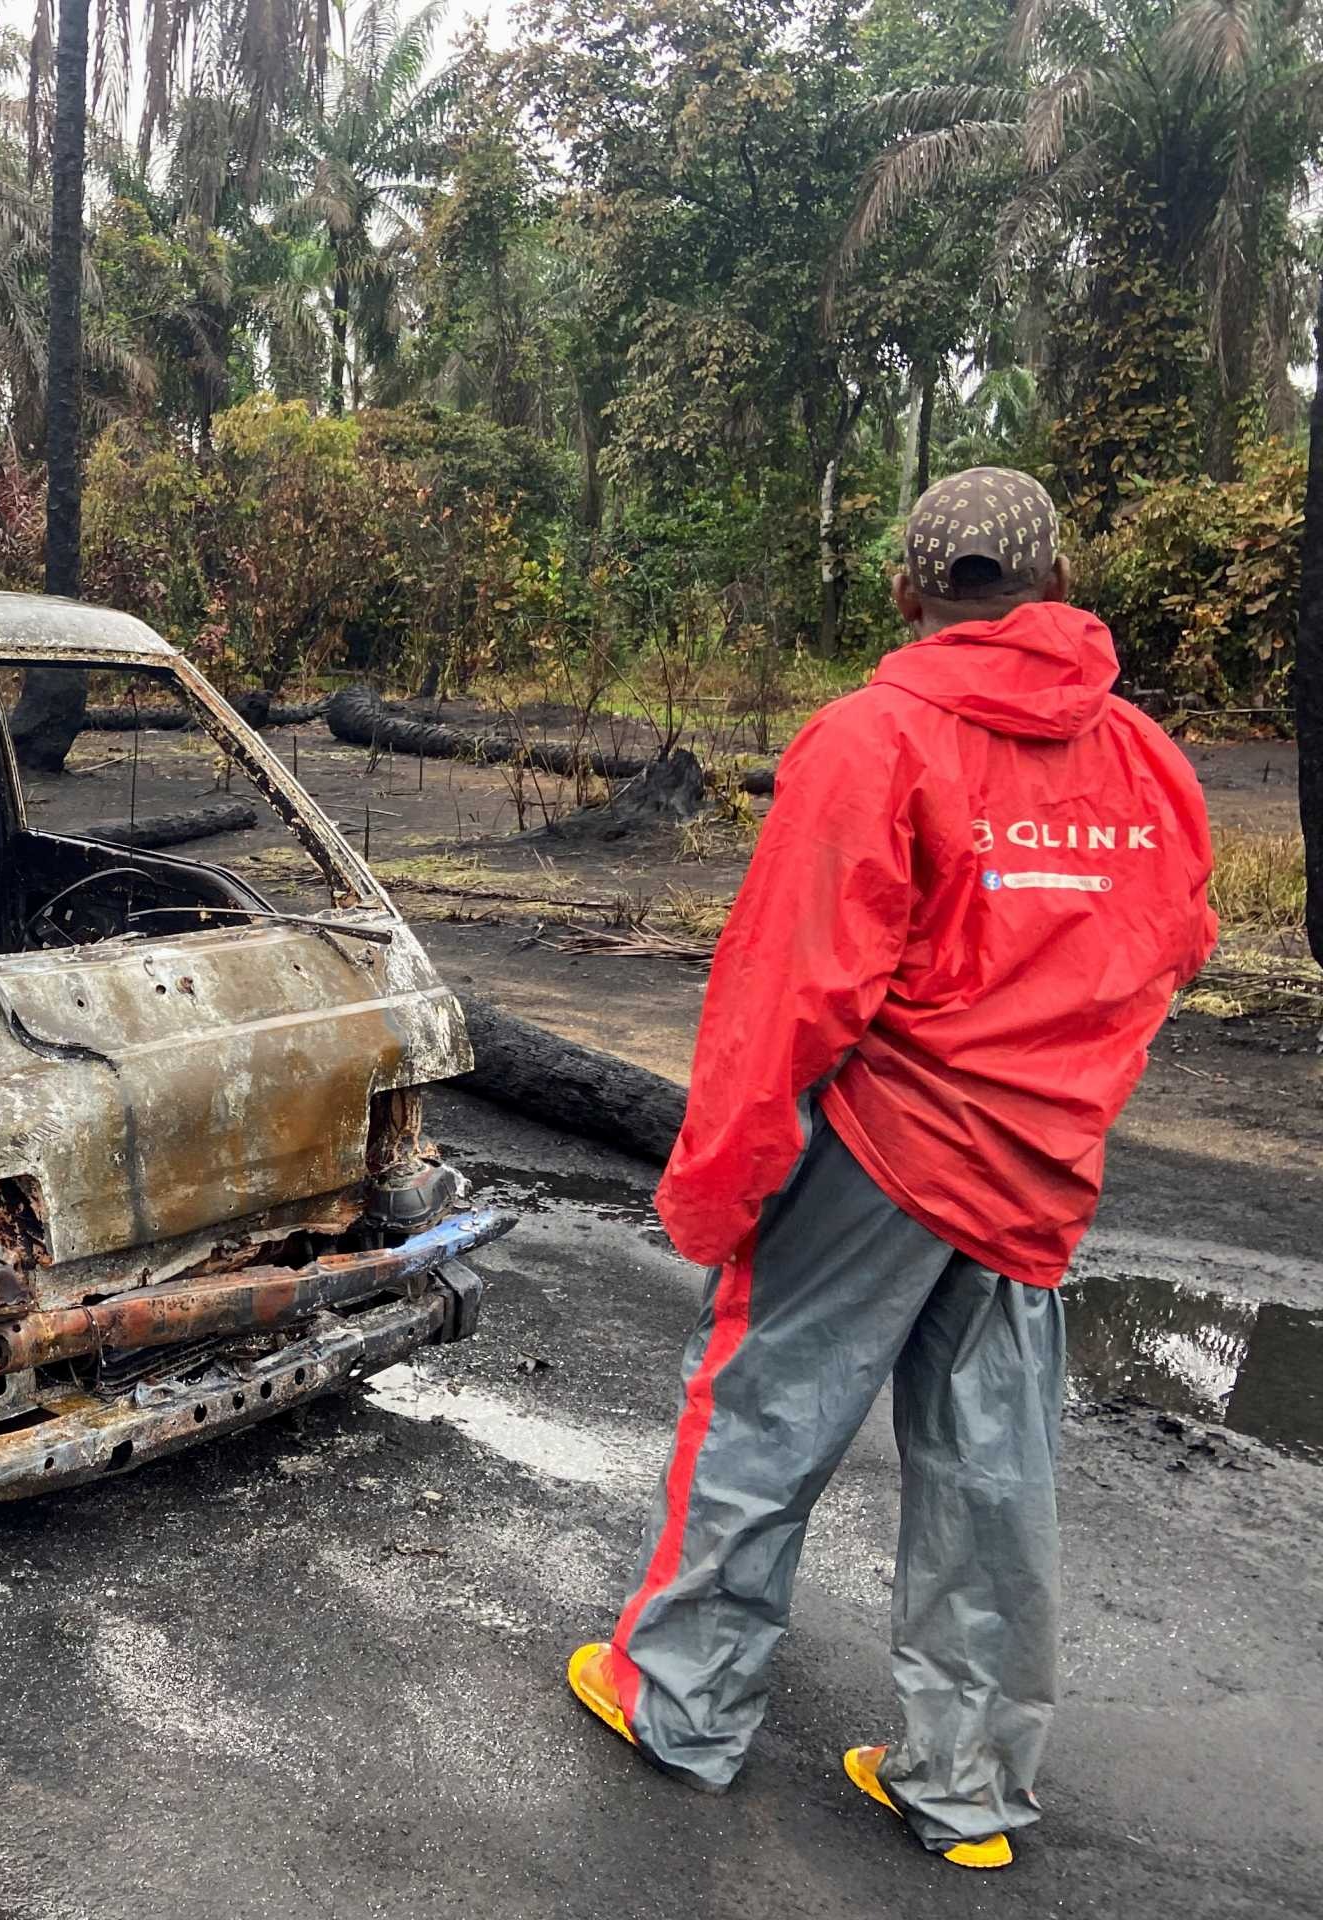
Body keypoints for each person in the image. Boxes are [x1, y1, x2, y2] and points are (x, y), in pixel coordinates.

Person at [564, 467, 1218, 1868]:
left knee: (760, 1414)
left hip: (878, 1146)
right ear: (1047, 586)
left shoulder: (871, 740)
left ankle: (679, 1705)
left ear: (912, 589)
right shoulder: (1148, 759)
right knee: (994, 1468)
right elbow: (1174, 943)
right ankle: (966, 1790)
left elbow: (787, 991)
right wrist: (1057, 1082)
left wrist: (720, 1184)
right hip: (1039, 1163)